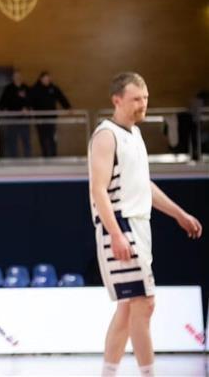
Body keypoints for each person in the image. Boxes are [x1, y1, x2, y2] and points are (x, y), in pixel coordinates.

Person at [88, 72, 202, 377]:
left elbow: (143, 185)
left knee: (128, 308)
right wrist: (115, 233)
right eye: (136, 99)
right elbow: (99, 189)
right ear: (117, 100)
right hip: (120, 224)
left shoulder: (134, 135)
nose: (143, 104)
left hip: (139, 224)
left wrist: (178, 213)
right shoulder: (105, 135)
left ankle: (108, 374)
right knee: (145, 303)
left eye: (146, 98)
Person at [30, 71, 71, 157]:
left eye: (48, 79)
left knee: (52, 138)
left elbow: (61, 97)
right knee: (43, 138)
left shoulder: (53, 88)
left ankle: (53, 155)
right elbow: (30, 101)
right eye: (45, 79)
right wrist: (28, 109)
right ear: (41, 79)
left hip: (51, 119)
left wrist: (67, 107)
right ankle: (45, 156)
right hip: (40, 119)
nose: (47, 81)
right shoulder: (35, 89)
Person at [0, 70, 32, 158]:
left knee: (26, 139)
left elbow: (31, 101)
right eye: (15, 77)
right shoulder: (8, 88)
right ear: (13, 78)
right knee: (12, 140)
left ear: (21, 77)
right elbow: (2, 103)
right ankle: (13, 159)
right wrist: (4, 109)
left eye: (19, 76)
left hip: (24, 118)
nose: (17, 78)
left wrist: (27, 108)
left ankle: (28, 159)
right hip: (12, 119)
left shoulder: (26, 88)